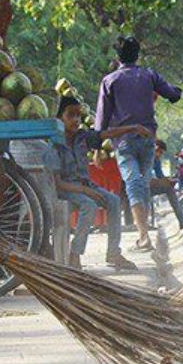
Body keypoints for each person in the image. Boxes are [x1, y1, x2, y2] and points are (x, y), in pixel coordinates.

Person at [96, 36, 182, 252]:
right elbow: (173, 95)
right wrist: (176, 92)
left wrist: (97, 147)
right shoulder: (149, 75)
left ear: (118, 57)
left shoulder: (110, 80)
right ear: (138, 55)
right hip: (147, 140)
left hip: (124, 142)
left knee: (134, 183)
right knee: (140, 183)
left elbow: (100, 123)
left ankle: (143, 237)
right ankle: (143, 235)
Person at [44, 96, 143, 270]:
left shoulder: (82, 137)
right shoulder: (53, 145)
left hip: (86, 186)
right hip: (67, 190)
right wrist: (84, 190)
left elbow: (106, 134)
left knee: (114, 201)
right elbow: (58, 184)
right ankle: (75, 254)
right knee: (88, 205)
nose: (76, 120)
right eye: (71, 115)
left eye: (78, 116)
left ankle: (113, 253)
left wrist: (132, 128)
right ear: (59, 119)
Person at [150, 140, 183, 230]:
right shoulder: (145, 157)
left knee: (170, 189)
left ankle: (182, 220)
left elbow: (160, 176)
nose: (160, 155)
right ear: (156, 149)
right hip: (137, 185)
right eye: (160, 152)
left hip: (149, 185)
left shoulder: (156, 160)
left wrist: (168, 181)